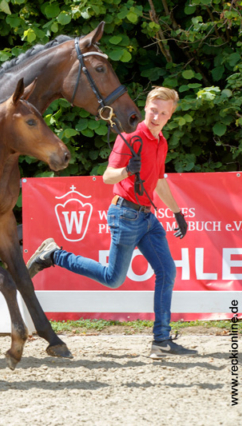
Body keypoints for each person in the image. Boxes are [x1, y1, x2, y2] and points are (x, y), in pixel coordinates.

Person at [27, 86, 197, 359]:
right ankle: (54, 255)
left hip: (147, 217)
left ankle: (161, 340)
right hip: (125, 215)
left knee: (167, 272)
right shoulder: (131, 137)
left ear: (170, 116)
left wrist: (177, 212)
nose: (157, 116)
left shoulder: (161, 142)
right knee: (113, 278)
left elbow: (160, 181)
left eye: (163, 113)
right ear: (146, 107)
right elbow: (107, 177)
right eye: (154, 110)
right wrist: (129, 169)